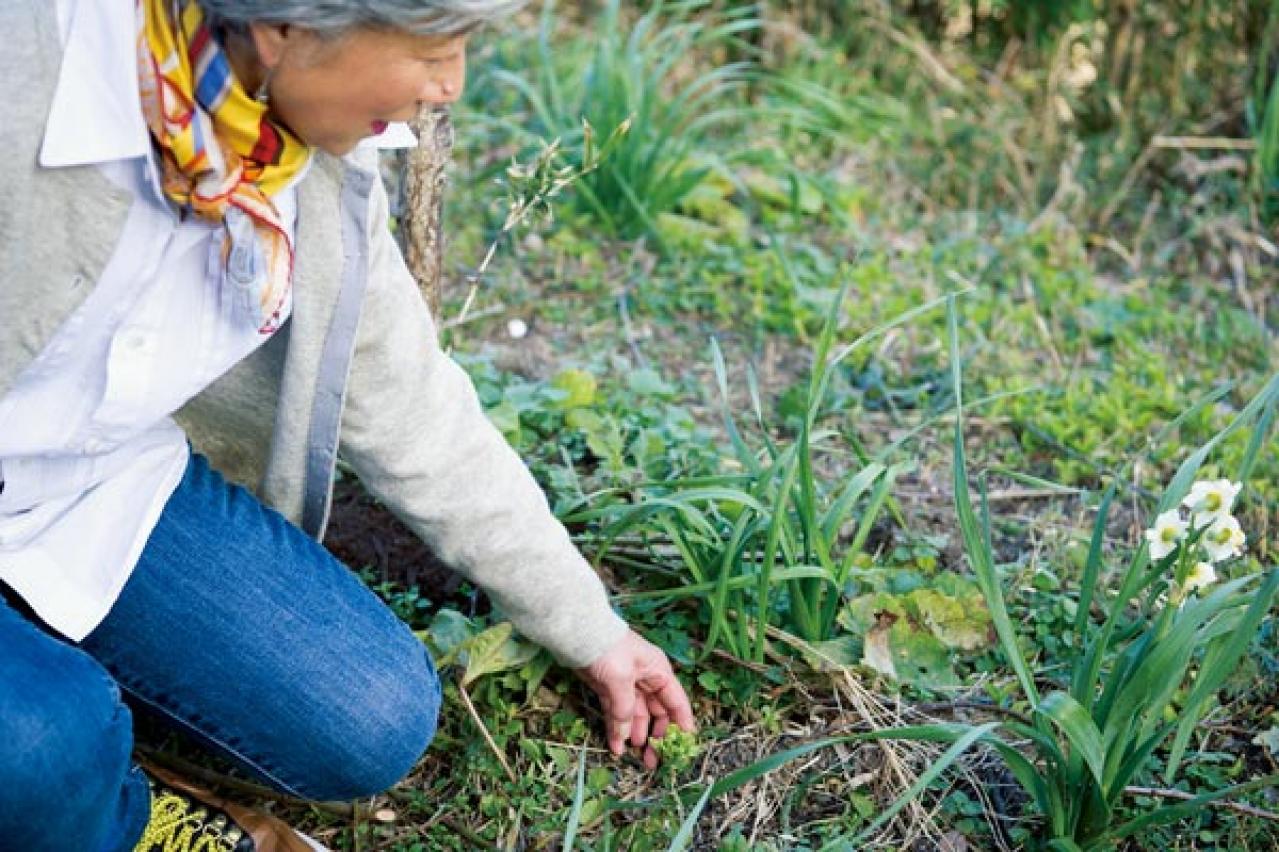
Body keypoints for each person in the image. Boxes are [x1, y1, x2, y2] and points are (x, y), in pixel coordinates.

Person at [0, 1, 696, 849]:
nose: (450, 86)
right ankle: (106, 810)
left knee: (370, 717)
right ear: (284, 27)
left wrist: (592, 630)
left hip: (89, 482)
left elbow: (411, 408)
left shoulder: (296, 159)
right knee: (43, 745)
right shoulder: (29, 70)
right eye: (432, 51)